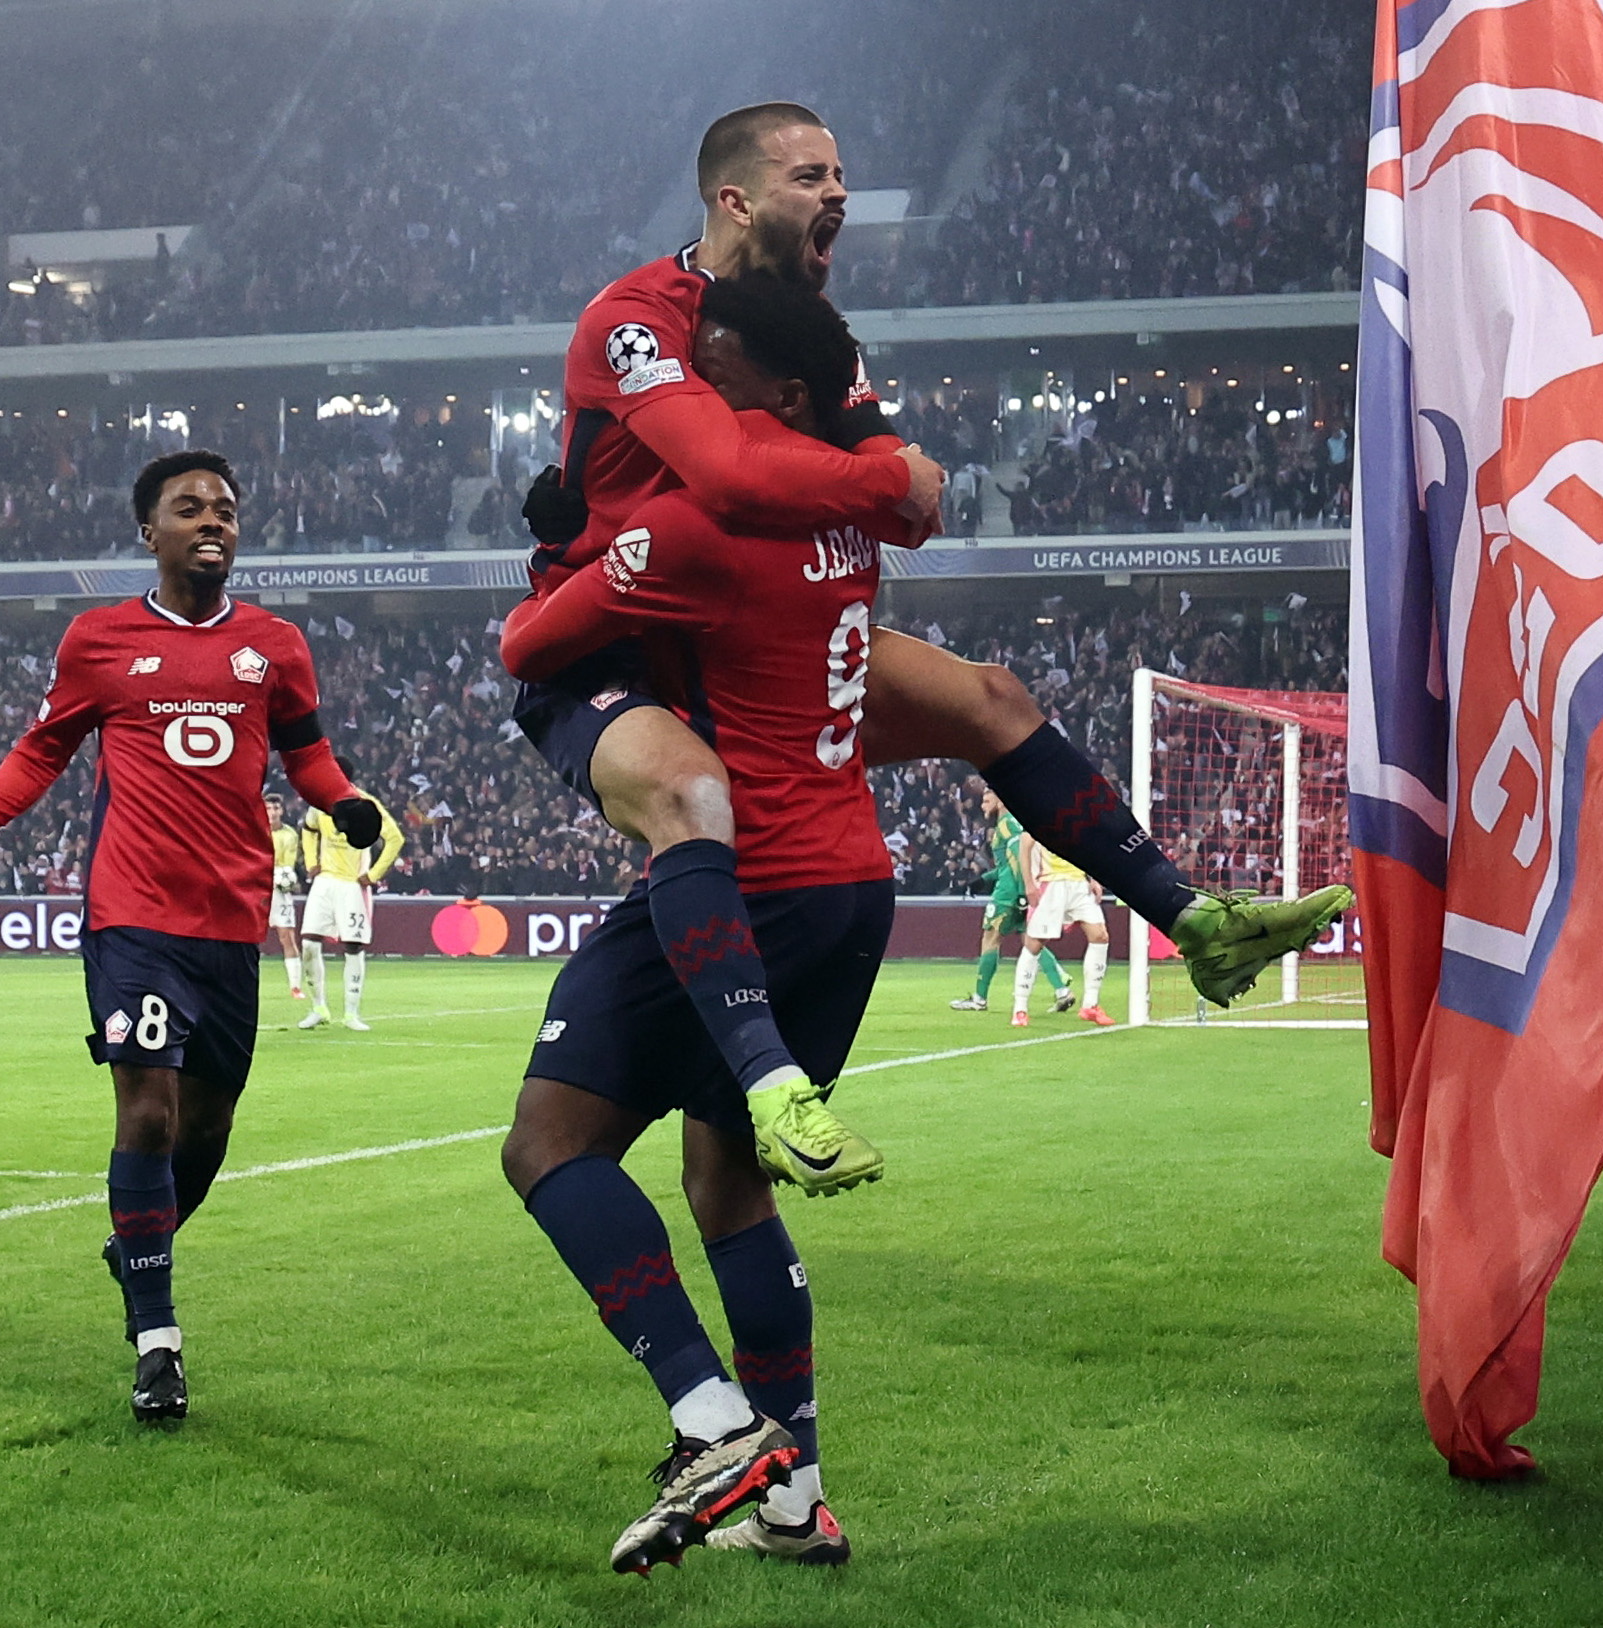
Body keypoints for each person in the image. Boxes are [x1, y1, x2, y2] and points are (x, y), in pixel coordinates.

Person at [508, 103, 1351, 1174]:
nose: (838, 195)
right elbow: (749, 477)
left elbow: (919, 510)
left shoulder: (809, 334)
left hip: (737, 618)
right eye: (811, 176)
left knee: (990, 698)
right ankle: (763, 1078)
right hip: (614, 638)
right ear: (736, 199)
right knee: (690, 794)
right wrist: (877, 475)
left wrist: (875, 481)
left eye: (840, 175)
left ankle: (1192, 917)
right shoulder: (638, 317)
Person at [498, 272, 899, 1574]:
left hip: (746, 876)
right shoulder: (857, 507)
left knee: (549, 1144)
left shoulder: (699, 521)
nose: (680, 399)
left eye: (706, 369)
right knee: (726, 1185)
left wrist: (560, 552)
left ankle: (713, 1418)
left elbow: (529, 647)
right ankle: (796, 1503)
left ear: (772, 392)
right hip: (853, 877)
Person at [0, 450, 382, 1425]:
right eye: (190, 507)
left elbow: (307, 752)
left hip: (231, 920)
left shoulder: (275, 645)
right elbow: (41, 750)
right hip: (132, 916)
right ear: (148, 531)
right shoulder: (100, 639)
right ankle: (157, 1342)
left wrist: (344, 801)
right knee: (150, 1115)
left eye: (227, 509)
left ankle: (139, 1241)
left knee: (205, 1130)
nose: (214, 521)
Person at [952, 781, 1072, 1014]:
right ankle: (1062, 990)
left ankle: (979, 998)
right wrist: (983, 880)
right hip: (1016, 889)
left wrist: (1021, 891)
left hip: (1009, 894)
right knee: (1032, 941)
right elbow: (1008, 865)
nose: (982, 805)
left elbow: (1019, 856)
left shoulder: (1007, 824)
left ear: (1001, 800)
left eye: (987, 800)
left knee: (990, 938)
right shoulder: (1014, 824)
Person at [296, 768, 401, 1032]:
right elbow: (308, 829)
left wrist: (373, 874)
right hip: (324, 882)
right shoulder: (320, 805)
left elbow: (395, 838)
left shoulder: (366, 805)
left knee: (353, 947)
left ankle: (351, 1013)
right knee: (308, 944)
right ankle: (318, 1007)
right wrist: (311, 862)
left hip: (352, 885)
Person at [1014, 829, 1113, 1028]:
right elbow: (1025, 843)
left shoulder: (1073, 813)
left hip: (1078, 884)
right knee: (1034, 945)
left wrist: (1091, 878)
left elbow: (1082, 846)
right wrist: (1029, 885)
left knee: (1100, 936)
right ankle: (1020, 1008)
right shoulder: (1041, 810)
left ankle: (1090, 1005)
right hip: (1051, 883)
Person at [264, 793, 305, 999]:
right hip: (255, 888)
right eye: (268, 808)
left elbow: (287, 867)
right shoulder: (253, 829)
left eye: (276, 808)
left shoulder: (289, 835)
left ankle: (295, 987)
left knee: (286, 936)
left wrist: (281, 877)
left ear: (282, 810)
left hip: (279, 889)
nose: (272, 813)